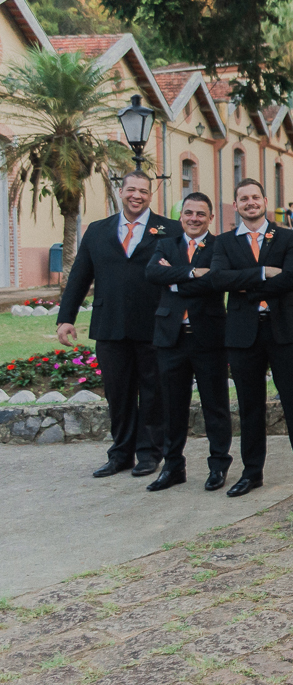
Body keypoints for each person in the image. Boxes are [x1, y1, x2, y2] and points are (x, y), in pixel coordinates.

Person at [57, 170, 180, 478]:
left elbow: (184, 275)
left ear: (150, 196)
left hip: (154, 324)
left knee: (153, 392)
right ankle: (120, 453)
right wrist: (65, 318)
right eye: (131, 190)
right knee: (117, 393)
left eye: (143, 191)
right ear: (121, 192)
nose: (136, 195)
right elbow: (79, 278)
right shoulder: (97, 231)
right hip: (110, 325)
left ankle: (150, 453)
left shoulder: (170, 230)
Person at [209, 178, 293, 497]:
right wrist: (261, 273)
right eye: (244, 198)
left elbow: (291, 279)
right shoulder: (224, 242)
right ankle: (252, 472)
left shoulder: (286, 237)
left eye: (255, 197)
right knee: (249, 406)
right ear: (236, 205)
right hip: (243, 335)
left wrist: (241, 284)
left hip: (284, 331)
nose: (250, 202)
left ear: (265, 201)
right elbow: (217, 279)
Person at [144, 192, 232, 492]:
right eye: (188, 213)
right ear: (181, 215)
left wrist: (175, 277)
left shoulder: (219, 246)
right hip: (171, 337)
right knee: (172, 406)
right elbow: (152, 272)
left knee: (215, 406)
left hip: (208, 337)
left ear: (210, 218)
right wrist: (193, 272)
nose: (194, 218)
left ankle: (218, 465)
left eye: (200, 214)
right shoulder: (165, 243)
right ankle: (172, 467)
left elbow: (216, 279)